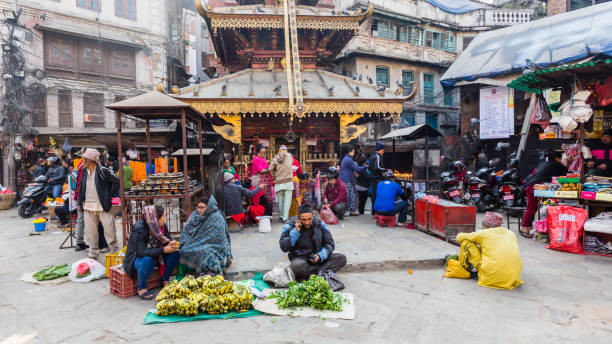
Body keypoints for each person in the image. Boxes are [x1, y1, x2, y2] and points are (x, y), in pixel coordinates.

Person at [123, 205, 179, 300]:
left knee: (175, 253)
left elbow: (167, 240)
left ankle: (165, 280)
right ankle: (142, 289)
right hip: (136, 259)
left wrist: (171, 243)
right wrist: (163, 250)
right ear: (156, 218)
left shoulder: (161, 226)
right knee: (147, 260)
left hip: (156, 254)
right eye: (164, 216)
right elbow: (140, 252)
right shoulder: (139, 229)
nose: (165, 219)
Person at [279, 204, 347, 281]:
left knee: (341, 258)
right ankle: (321, 272)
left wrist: (320, 255)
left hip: (318, 258)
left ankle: (312, 274)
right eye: (303, 220)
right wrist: (295, 232)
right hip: (301, 258)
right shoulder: (290, 226)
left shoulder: (320, 224)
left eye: (309, 219)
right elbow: (284, 247)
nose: (307, 222)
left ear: (313, 216)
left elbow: (330, 244)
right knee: (297, 267)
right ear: (299, 218)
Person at [77, 148, 120, 258]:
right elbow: (81, 188)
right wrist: (79, 202)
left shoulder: (104, 171)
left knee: (110, 232)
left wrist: (108, 194)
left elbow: (117, 182)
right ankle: (93, 254)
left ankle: (115, 253)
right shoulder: (84, 172)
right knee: (91, 233)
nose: (82, 162)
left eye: (84, 159)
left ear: (91, 160)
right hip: (88, 207)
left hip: (103, 206)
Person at [179, 194, 232, 276]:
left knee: (206, 253)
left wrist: (199, 243)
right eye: (198, 207)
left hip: (215, 246)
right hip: (197, 242)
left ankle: (210, 272)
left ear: (209, 207)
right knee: (184, 250)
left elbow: (218, 239)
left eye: (202, 207)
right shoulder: (195, 215)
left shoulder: (217, 217)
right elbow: (187, 231)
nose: (199, 210)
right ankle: (195, 269)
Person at [519, 150, 567, 238]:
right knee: (531, 208)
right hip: (533, 187)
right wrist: (564, 163)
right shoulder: (556, 164)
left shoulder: (544, 163)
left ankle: (529, 227)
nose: (560, 160)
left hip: (531, 186)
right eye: (560, 159)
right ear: (557, 158)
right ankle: (524, 228)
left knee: (533, 207)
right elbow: (566, 171)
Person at [340, 144, 368, 216]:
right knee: (350, 195)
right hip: (347, 180)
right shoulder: (348, 160)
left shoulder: (346, 158)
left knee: (351, 195)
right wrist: (366, 166)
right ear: (349, 152)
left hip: (346, 179)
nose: (354, 153)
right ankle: (349, 211)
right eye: (353, 152)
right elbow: (357, 169)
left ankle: (351, 210)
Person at [269, 145, 295, 223]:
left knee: (280, 201)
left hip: (279, 182)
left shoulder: (275, 158)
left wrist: (276, 168)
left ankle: (281, 216)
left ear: (279, 150)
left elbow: (270, 169)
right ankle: (285, 218)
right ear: (286, 150)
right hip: (288, 182)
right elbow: (291, 163)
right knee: (287, 201)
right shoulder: (290, 156)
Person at [251, 144, 274, 215]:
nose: (264, 154)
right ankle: (263, 215)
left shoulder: (263, 159)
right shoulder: (256, 159)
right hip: (259, 181)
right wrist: (270, 169)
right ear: (257, 153)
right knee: (261, 199)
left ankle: (268, 215)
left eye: (264, 153)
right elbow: (261, 170)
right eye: (262, 153)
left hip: (266, 182)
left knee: (267, 199)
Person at [71, 160, 88, 252]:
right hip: (83, 197)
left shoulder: (80, 164)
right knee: (82, 219)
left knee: (81, 219)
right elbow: (81, 184)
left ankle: (80, 242)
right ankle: (80, 242)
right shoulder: (85, 166)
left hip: (80, 197)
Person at [368, 142, 386, 207]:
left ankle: (374, 211)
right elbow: (377, 167)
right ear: (379, 149)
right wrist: (385, 170)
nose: (383, 152)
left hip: (373, 178)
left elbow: (370, 168)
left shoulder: (371, 156)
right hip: (377, 179)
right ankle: (376, 210)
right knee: (378, 195)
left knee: (374, 195)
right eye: (383, 150)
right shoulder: (377, 156)